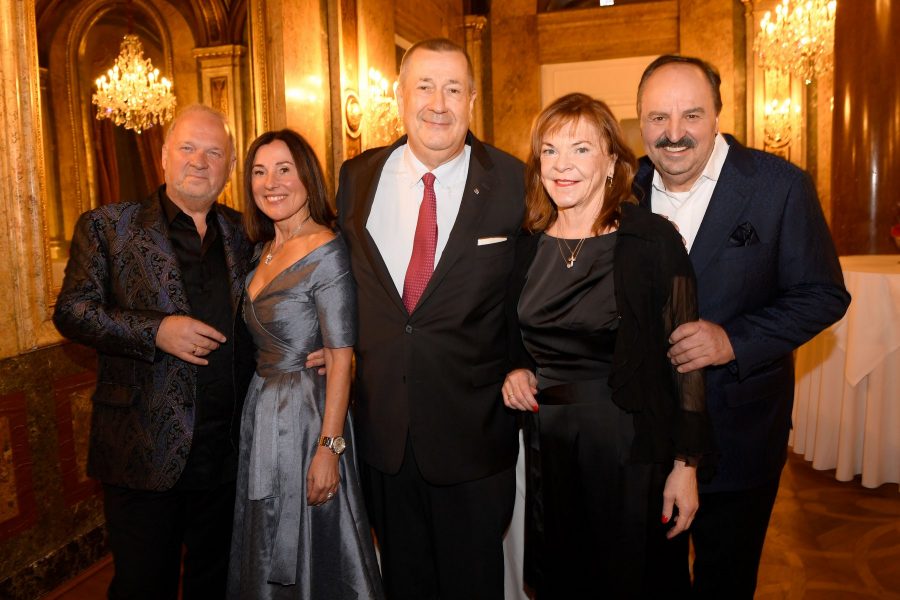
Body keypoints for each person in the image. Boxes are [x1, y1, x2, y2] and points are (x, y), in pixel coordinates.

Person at [633, 55, 851, 598]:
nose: (675, 133)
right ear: (639, 122)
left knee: (725, 583)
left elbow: (823, 295)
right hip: (644, 439)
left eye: (692, 115)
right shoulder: (621, 192)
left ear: (718, 115)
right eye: (658, 117)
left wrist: (732, 341)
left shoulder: (778, 187)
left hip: (740, 437)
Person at [501, 92, 714, 598]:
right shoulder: (528, 243)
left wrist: (685, 468)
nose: (562, 165)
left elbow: (687, 364)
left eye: (580, 148)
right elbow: (514, 336)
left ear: (612, 160)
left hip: (629, 449)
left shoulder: (652, 241)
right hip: (547, 448)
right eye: (549, 151)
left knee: (630, 581)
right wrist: (516, 369)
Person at [335, 38, 524, 599]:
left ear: (472, 99)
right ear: (397, 97)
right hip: (385, 435)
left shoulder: (516, 181)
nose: (437, 103)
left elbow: (531, 291)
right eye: (424, 86)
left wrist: (525, 365)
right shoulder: (355, 177)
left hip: (475, 436)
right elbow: (339, 278)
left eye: (452, 89)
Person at [52, 104, 255, 599]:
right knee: (144, 587)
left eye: (214, 152)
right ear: (164, 156)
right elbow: (72, 311)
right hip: (142, 451)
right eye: (187, 148)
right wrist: (156, 331)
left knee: (219, 583)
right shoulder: (108, 227)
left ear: (229, 168)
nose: (199, 161)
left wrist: (307, 350)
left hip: (227, 453)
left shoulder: (245, 232)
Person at [226, 129, 383, 599]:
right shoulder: (262, 251)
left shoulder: (326, 250)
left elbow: (340, 356)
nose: (271, 182)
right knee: (266, 531)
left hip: (309, 415)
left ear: (306, 178)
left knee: (318, 535)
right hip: (263, 409)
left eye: (283, 169)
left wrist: (329, 448)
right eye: (259, 171)